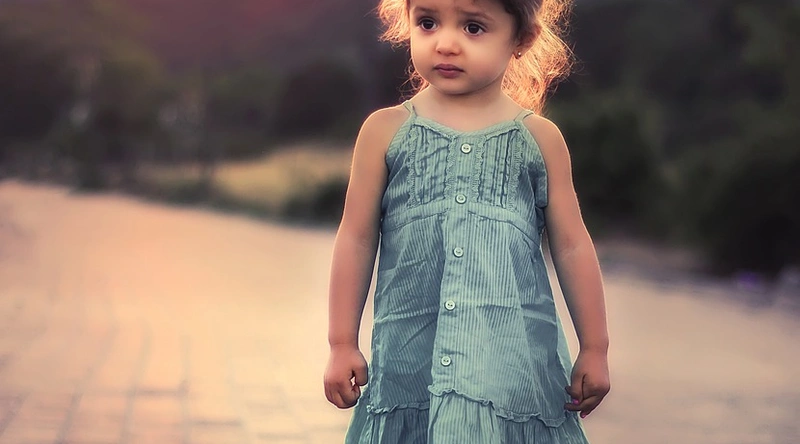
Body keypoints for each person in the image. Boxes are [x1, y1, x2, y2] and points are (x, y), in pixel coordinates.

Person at [324, 0, 610, 441]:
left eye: (473, 28)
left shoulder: (540, 140)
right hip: (410, 367)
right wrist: (341, 343)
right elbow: (356, 238)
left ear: (522, 38)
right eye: (427, 22)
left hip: (509, 372)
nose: (445, 43)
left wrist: (595, 347)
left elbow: (572, 245)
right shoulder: (384, 131)